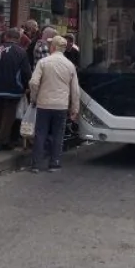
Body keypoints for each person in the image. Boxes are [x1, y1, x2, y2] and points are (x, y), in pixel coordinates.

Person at [29, 36, 80, 173]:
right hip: (61, 105)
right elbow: (75, 90)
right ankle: (54, 162)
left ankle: (36, 164)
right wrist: (75, 108)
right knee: (58, 134)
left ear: (53, 47)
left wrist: (34, 98)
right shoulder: (70, 65)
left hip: (44, 103)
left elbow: (34, 83)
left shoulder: (43, 62)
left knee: (40, 133)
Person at [0, 28, 31, 151]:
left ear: (6, 37)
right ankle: (3, 142)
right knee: (8, 116)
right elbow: (26, 72)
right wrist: (26, 86)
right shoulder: (21, 52)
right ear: (18, 38)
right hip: (12, 88)